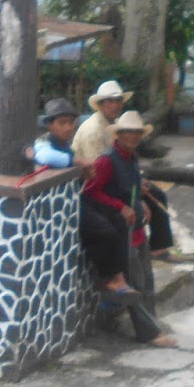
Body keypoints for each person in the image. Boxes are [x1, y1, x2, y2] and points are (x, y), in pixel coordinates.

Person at [82, 110, 178, 348]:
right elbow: (91, 192)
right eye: (129, 132)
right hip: (121, 231)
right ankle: (148, 333)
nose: (133, 137)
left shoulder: (131, 158)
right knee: (135, 284)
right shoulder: (107, 161)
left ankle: (152, 325)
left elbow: (133, 187)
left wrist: (141, 202)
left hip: (136, 229)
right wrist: (121, 207)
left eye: (137, 133)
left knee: (146, 279)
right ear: (119, 134)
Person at [74, 79, 177, 258]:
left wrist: (136, 181)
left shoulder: (113, 124)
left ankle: (157, 246)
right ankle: (153, 248)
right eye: (110, 101)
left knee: (156, 194)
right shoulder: (93, 130)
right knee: (144, 200)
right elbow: (96, 172)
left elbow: (124, 160)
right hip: (94, 185)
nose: (115, 105)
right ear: (100, 104)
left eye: (118, 100)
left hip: (113, 176)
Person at [29, 98, 88, 173]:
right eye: (62, 123)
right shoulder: (42, 143)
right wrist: (77, 161)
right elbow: (44, 157)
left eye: (71, 122)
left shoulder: (66, 146)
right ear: (50, 125)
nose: (68, 128)